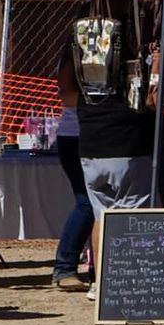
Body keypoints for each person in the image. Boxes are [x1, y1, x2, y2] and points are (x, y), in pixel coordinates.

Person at [69, 0, 157, 289]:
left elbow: (66, 93)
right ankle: (128, 285)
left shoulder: (80, 40)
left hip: (91, 143)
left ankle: (102, 283)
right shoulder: (138, 31)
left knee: (102, 216)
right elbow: (156, 91)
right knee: (133, 216)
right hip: (129, 141)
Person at [49, 53, 96, 292]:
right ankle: (65, 266)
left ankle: (92, 266)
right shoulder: (72, 58)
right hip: (75, 135)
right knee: (86, 202)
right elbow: (67, 97)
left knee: (94, 204)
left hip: (95, 135)